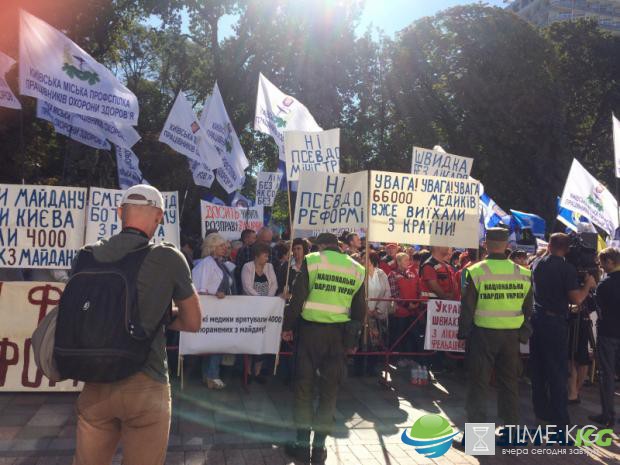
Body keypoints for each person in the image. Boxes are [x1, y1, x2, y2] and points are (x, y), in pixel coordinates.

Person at [73, 185, 201, 465]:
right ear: (158, 218)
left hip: (95, 380)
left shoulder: (86, 255)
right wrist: (164, 319)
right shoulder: (168, 258)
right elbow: (193, 321)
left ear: (120, 213)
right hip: (147, 380)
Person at [282, 233, 366, 464]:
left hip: (310, 335)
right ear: (338, 246)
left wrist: (286, 326)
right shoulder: (357, 268)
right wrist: (353, 343)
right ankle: (319, 450)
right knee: (329, 394)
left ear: (319, 246)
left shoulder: (313, 260)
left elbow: (297, 300)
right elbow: (360, 312)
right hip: (338, 338)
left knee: (303, 390)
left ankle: (301, 446)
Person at [457, 228, 533, 432]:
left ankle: (479, 441)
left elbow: (468, 308)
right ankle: (511, 434)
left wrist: (462, 333)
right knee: (510, 384)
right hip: (511, 338)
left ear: (486, 244)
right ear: (508, 245)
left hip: (483, 335)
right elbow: (529, 309)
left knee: (479, 385)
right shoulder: (524, 273)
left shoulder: (475, 271)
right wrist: (523, 334)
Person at [529, 233, 595, 431]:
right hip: (555, 323)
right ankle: (560, 420)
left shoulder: (537, 263)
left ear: (549, 245)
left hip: (538, 319)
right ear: (567, 249)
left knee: (538, 370)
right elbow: (576, 299)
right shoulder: (566, 268)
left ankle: (542, 413)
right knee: (557, 372)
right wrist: (588, 285)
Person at [192, 233, 237, 390]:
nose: (225, 248)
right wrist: (214, 294)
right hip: (211, 310)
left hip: (221, 311)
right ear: (212, 247)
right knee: (215, 342)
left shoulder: (221, 264)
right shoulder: (206, 263)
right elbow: (199, 289)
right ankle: (212, 375)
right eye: (221, 246)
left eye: (225, 245)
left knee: (216, 342)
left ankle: (208, 374)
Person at [590, 247, 620, 427]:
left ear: (609, 262)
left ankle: (608, 415)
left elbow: (596, 308)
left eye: (602, 262)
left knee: (607, 376)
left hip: (608, 334)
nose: (601, 266)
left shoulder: (605, 284)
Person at [242, 242, 279, 383]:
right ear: (257, 256)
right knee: (251, 338)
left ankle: (257, 372)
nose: (267, 258)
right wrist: (259, 299)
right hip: (251, 308)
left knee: (263, 338)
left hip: (266, 309)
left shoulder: (269, 267)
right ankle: (248, 371)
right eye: (265, 255)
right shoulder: (247, 267)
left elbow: (274, 284)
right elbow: (246, 286)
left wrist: (267, 300)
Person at [388, 252, 419, 365]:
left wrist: (416, 304)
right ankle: (396, 358)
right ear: (399, 262)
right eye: (406, 260)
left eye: (409, 260)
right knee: (398, 336)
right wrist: (407, 305)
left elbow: (417, 289)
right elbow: (394, 294)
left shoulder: (411, 274)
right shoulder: (392, 275)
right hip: (399, 312)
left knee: (410, 335)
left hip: (413, 311)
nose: (409, 262)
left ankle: (409, 358)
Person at [367, 252, 391, 351]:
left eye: (364, 258)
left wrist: (378, 310)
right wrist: (366, 310)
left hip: (378, 315)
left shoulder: (381, 273)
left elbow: (387, 292)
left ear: (372, 260)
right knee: (365, 343)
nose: (361, 260)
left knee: (379, 342)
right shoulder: (359, 273)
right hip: (364, 314)